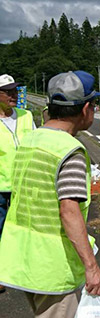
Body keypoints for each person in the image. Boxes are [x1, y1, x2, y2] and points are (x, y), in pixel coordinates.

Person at [0, 70, 100, 318]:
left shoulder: (31, 140)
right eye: (93, 106)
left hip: (21, 257)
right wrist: (92, 267)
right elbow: (69, 212)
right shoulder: (69, 150)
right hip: (52, 266)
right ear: (85, 109)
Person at [0, 74, 36, 293]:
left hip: (24, 184)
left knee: (23, 229)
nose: (14, 95)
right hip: (1, 186)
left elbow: (35, 142)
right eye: (7, 91)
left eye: (15, 91)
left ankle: (21, 269)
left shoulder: (25, 115)